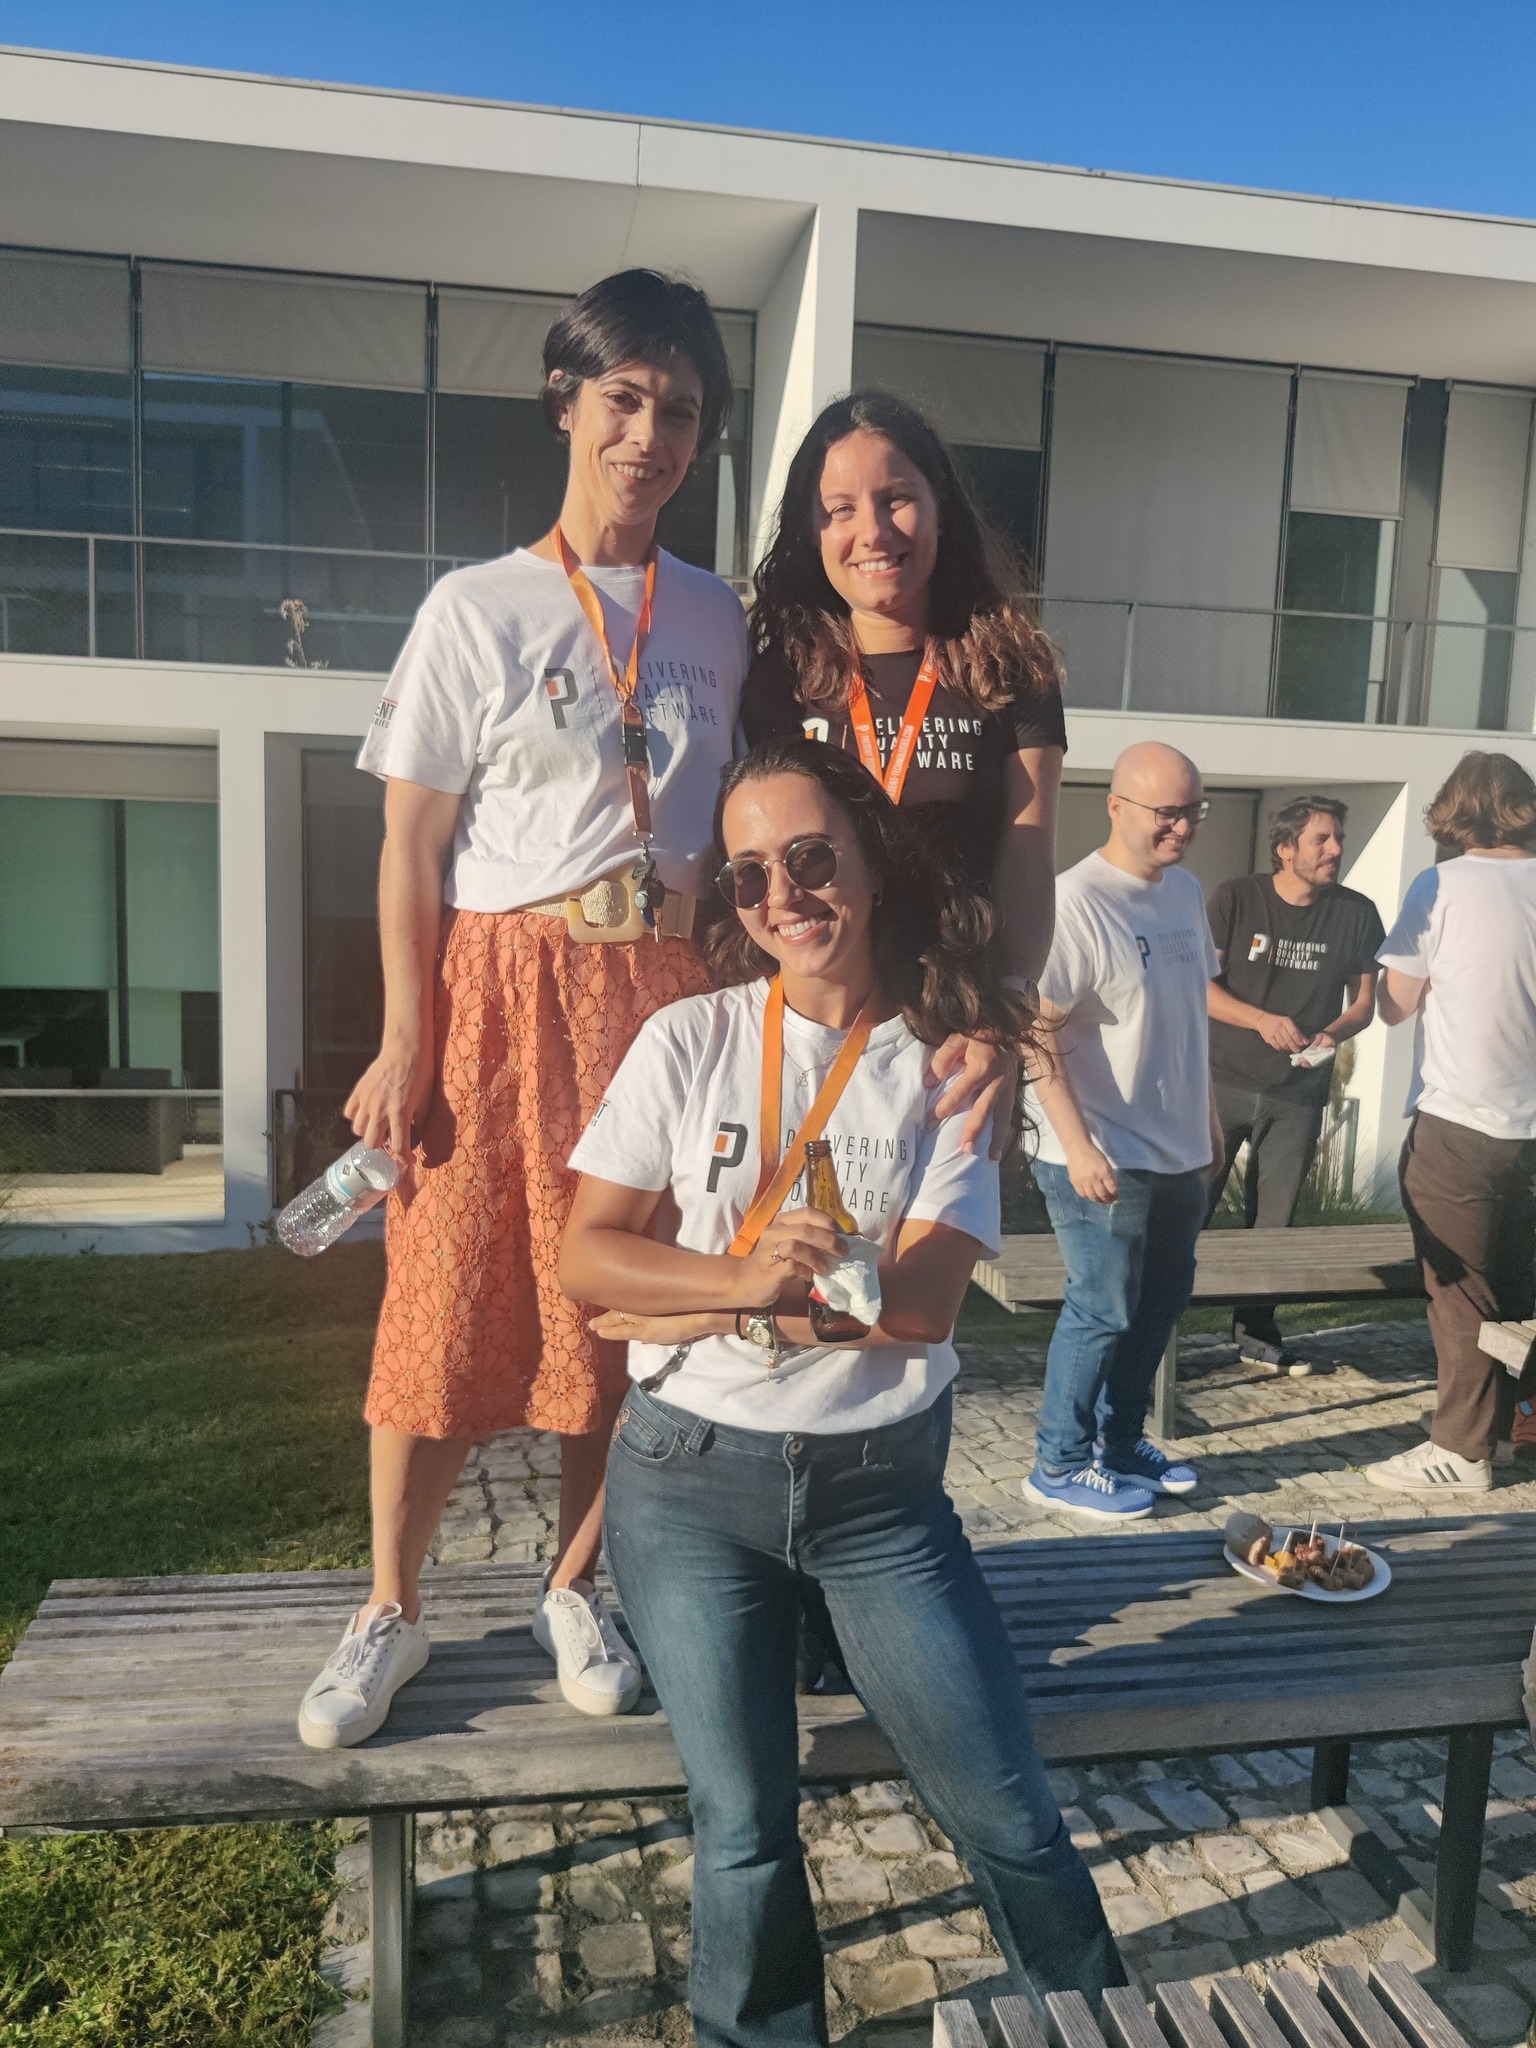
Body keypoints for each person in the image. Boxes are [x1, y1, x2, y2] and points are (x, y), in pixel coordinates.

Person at [559, 736, 1124, 2041]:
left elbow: (921, 1308)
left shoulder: (947, 1058)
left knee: (1003, 1803)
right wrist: (745, 1281)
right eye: (751, 873)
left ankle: (1095, 2023)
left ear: (871, 863)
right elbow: (584, 1253)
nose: (784, 893)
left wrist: (693, 1302)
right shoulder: (689, 1037)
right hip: (686, 1486)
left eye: (812, 856)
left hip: (879, 1499)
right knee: (743, 1824)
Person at [295, 269, 750, 1748]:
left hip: (661, 995)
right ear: (567, 404)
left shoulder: (717, 617)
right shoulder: (475, 606)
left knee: (622, 1306)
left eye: (680, 409)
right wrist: (404, 1036)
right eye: (625, 398)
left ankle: (574, 1583)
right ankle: (389, 1607)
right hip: (499, 990)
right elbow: (410, 846)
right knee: (439, 1299)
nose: (650, 435)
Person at [742, 389, 1066, 1000]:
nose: (873, 532)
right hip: (815, 1012)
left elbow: (1027, 860)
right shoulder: (777, 679)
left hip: (959, 1013)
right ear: (811, 531)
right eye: (840, 509)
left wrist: (1009, 1004)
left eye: (896, 499)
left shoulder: (1012, 670)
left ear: (940, 507)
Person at [1022, 742, 1223, 1520]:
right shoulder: (1076, 902)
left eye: (1193, 811)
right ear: (1116, 806)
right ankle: (1058, 1463)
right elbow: (1033, 1029)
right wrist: (1076, 1146)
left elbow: (1188, 1013)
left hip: (1178, 1148)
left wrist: (1207, 1122)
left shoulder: (1185, 892)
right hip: (1102, 1150)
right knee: (1102, 1309)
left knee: (1160, 1305)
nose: (1183, 828)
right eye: (1167, 813)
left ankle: (1121, 1444)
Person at [1366, 751, 1536, 1498]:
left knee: (1463, 1293)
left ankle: (1461, 1451)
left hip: (1463, 1121)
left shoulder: (1442, 884)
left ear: (1456, 810)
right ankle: (1517, 1425)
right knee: (1522, 1285)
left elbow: (1395, 1005)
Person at [1205, 796, 1384, 1372]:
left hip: (1298, 1094)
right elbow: (1199, 987)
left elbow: (1363, 1005)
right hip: (1219, 1082)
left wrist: (1332, 1033)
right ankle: (1155, 1328)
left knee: (1273, 1221)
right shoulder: (1237, 897)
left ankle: (1255, 1333)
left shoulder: (1357, 912)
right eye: (1321, 840)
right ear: (1285, 848)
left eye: (1338, 838)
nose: (1335, 849)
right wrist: (1260, 1020)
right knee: (1188, 1207)